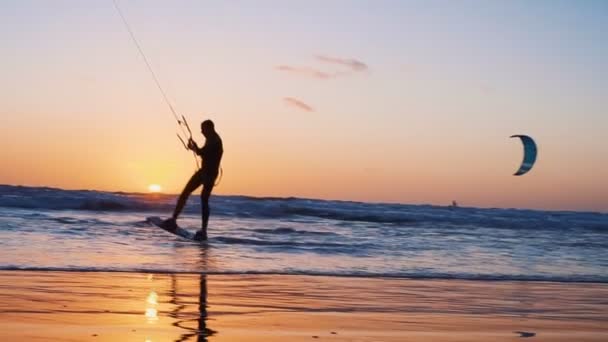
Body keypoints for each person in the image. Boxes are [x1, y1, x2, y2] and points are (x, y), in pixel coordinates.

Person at [162, 119, 223, 241]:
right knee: (186, 192)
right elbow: (202, 153)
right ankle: (173, 220)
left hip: (210, 175)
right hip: (203, 172)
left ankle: (204, 231)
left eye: (203, 129)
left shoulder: (215, 140)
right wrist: (194, 147)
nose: (201, 132)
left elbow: (201, 152)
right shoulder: (211, 138)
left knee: (204, 199)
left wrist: (194, 147)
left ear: (209, 128)